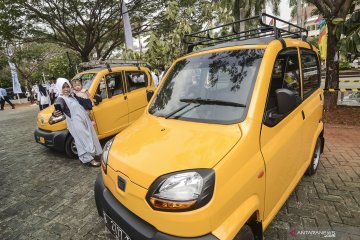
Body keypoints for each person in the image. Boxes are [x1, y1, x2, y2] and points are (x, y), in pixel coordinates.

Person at [53, 78, 102, 167]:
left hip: (85, 120)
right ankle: (89, 160)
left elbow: (84, 101)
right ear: (60, 88)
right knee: (84, 140)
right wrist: (55, 113)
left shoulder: (72, 95)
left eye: (67, 86)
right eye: (63, 87)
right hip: (76, 123)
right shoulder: (61, 99)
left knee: (91, 136)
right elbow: (58, 108)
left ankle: (93, 156)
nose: (66, 89)